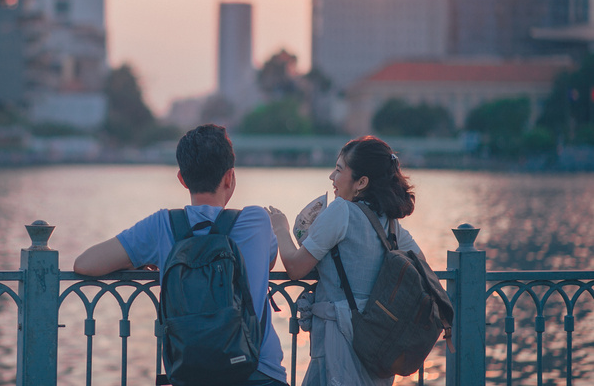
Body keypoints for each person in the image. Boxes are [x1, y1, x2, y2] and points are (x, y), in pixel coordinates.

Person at [74, 124, 288, 386]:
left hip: (190, 372)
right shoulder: (256, 220)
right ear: (230, 177)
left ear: (182, 179)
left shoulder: (162, 225)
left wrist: (139, 260)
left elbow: (85, 264)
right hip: (258, 370)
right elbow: (267, 264)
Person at [266, 135, 423, 386]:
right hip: (377, 340)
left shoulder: (341, 211)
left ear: (361, 182)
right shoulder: (391, 224)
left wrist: (281, 229)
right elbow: (420, 266)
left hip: (339, 338)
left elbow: (295, 268)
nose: (332, 177)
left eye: (339, 170)